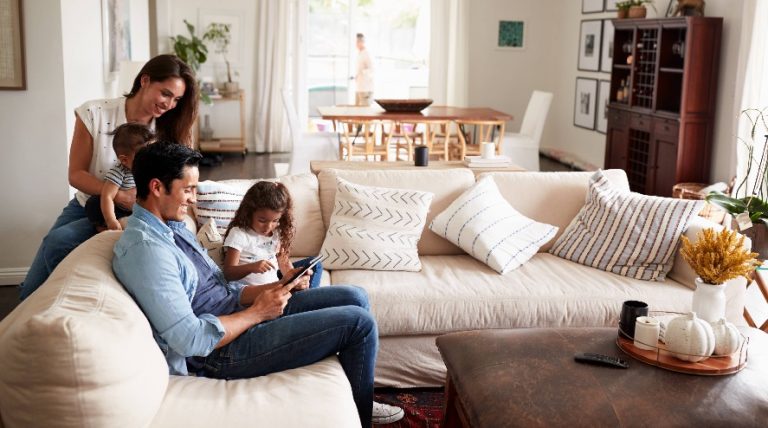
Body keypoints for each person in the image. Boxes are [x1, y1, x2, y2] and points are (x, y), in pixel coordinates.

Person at [112, 142, 404, 426]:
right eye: (187, 189)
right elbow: (190, 340)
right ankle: (362, 412)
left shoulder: (172, 227)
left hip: (239, 313)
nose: (193, 199)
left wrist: (273, 288)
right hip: (219, 352)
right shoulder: (147, 250)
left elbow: (221, 287)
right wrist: (258, 313)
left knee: (355, 296)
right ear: (156, 187)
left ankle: (357, 394)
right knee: (358, 323)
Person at [19, 54, 198, 300]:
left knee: (60, 241)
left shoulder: (170, 128)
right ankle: (31, 305)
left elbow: (180, 183)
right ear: (145, 80)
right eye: (165, 93)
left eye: (177, 99)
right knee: (49, 252)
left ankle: (50, 303)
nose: (170, 105)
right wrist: (119, 195)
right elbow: (76, 174)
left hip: (138, 212)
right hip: (89, 202)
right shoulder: (95, 112)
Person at [222, 181, 324, 289]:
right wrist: (251, 267)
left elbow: (284, 264)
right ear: (249, 213)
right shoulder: (239, 234)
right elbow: (228, 273)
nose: (268, 227)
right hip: (258, 294)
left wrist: (295, 280)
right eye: (262, 220)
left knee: (315, 266)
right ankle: (306, 299)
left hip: (277, 287)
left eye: (275, 220)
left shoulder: (276, 233)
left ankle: (304, 295)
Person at [84, 123, 155, 231]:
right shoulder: (119, 172)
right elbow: (107, 196)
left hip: (140, 209)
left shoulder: (150, 170)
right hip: (119, 211)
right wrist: (111, 220)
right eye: (144, 157)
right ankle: (103, 227)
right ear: (124, 160)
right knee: (94, 203)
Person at [354, 33, 374, 106]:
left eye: (357, 42)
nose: (355, 44)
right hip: (359, 87)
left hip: (366, 88)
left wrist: (362, 73)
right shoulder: (359, 53)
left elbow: (372, 69)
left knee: (364, 112)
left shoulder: (367, 54)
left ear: (361, 42)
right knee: (357, 111)